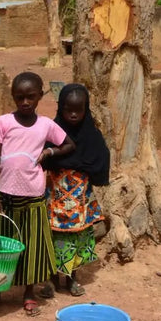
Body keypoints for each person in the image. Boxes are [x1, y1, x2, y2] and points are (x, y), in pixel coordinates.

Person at [0, 72, 75, 316]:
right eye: (19, 97)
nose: (25, 102)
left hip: (33, 197)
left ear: (39, 96)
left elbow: (69, 144)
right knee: (2, 248)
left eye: (30, 97)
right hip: (5, 197)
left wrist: (49, 153)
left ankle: (28, 293)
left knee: (31, 247)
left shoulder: (46, 125)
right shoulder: (3, 122)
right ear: (13, 97)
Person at [41, 84, 110, 297]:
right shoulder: (53, 132)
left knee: (77, 238)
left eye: (78, 110)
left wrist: (84, 169)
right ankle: (52, 279)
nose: (73, 114)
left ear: (85, 109)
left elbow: (101, 159)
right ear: (60, 107)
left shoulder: (92, 136)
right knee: (53, 236)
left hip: (80, 198)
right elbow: (42, 157)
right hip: (55, 196)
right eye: (68, 109)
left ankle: (72, 278)